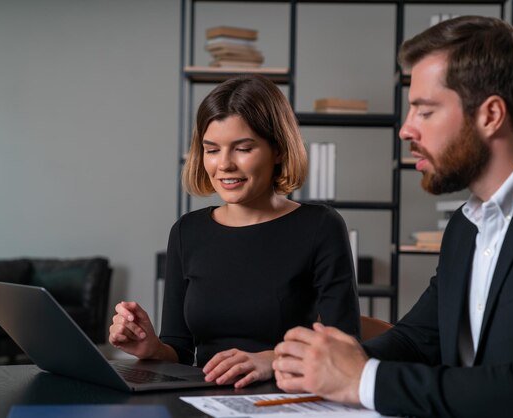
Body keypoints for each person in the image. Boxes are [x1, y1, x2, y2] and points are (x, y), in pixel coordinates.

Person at [273, 15, 513, 417]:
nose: (406, 130)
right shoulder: (467, 225)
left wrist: (360, 379)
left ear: (490, 115)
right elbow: (419, 340)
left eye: (424, 111)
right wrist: (318, 365)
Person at [109, 74, 360, 389]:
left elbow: (345, 343)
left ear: (279, 150)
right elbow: (181, 350)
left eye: (242, 148)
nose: (224, 164)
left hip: (285, 398)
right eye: (212, 150)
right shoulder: (187, 231)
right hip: (201, 399)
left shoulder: (320, 225)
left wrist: (273, 359)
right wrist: (152, 348)